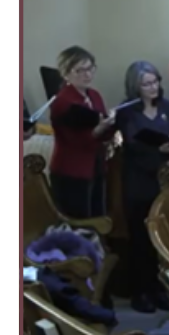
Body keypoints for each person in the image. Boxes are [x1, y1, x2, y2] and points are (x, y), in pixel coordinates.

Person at [115, 62, 169, 313]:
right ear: (135, 87)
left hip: (162, 179)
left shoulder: (167, 107)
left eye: (156, 82)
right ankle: (140, 292)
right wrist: (156, 150)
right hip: (137, 180)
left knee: (159, 239)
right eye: (147, 84)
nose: (153, 87)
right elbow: (130, 146)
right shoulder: (127, 111)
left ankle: (157, 289)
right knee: (139, 239)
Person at [48, 46, 116, 218]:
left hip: (96, 165)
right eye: (80, 70)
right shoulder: (63, 102)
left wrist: (111, 124)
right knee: (78, 221)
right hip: (71, 170)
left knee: (98, 217)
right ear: (65, 73)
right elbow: (75, 141)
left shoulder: (94, 95)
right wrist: (98, 129)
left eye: (90, 69)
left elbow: (102, 128)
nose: (87, 75)